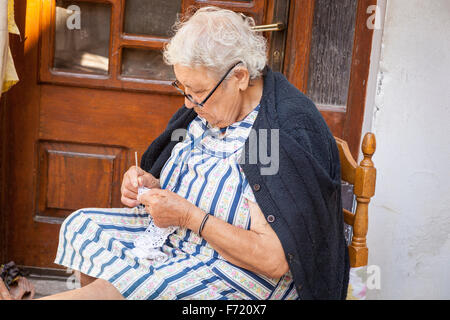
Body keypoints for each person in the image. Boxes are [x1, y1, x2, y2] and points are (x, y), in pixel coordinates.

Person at [0, 6, 349, 300]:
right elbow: (183, 167)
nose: (188, 104)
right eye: (182, 88)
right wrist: (148, 182)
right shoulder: (216, 107)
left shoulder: (272, 132)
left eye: (197, 92)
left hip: (239, 275)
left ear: (240, 76)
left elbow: (273, 260)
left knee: (128, 288)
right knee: (84, 227)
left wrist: (187, 217)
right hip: (183, 240)